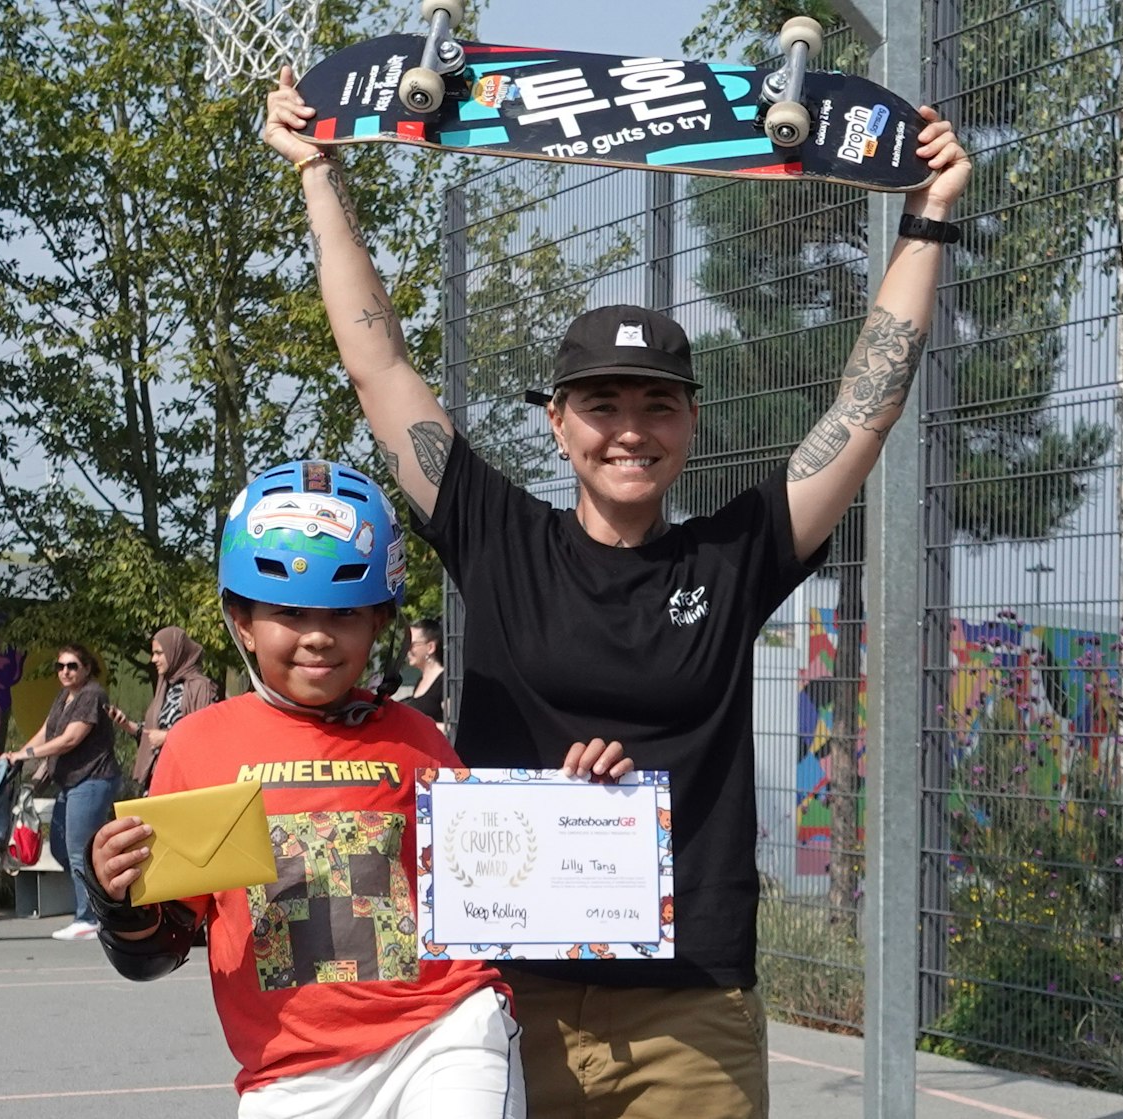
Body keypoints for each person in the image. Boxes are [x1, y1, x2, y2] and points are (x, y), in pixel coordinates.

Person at [263, 70, 973, 1118]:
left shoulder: (734, 558)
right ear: (557, 422)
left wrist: (927, 222)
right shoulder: (495, 535)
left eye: (658, 405)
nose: (629, 428)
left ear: (690, 425)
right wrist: (320, 174)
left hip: (692, 1008)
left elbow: (865, 407)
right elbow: (379, 370)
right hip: (509, 995)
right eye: (601, 404)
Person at [85, 460, 519, 1118]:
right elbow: (157, 949)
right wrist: (116, 895)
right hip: (291, 1072)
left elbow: (496, 887)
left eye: (343, 612)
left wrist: (589, 812)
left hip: (441, 1035)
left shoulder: (417, 740)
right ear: (242, 619)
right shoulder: (200, 747)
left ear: (379, 621)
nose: (317, 634)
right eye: (289, 610)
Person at [2, 642, 120, 941]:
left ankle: (89, 918)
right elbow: (47, 731)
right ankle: (98, 902)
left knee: (79, 850)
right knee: (58, 846)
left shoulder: (92, 695)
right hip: (69, 782)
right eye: (60, 666)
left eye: (72, 666)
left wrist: (27, 755)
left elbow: (70, 739)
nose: (65, 672)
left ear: (87, 668)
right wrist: (20, 752)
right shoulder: (64, 697)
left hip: (92, 780)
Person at [126, 625, 223, 794]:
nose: (153, 659)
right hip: (159, 775)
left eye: (159, 653)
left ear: (175, 651)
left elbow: (208, 735)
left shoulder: (200, 688)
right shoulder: (166, 686)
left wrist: (168, 737)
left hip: (184, 781)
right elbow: (156, 731)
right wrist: (129, 725)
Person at [388, 618, 448, 725]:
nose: (407, 650)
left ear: (430, 647)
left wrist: (420, 727)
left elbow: (452, 727)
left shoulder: (445, 682)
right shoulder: (421, 680)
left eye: (412, 645)